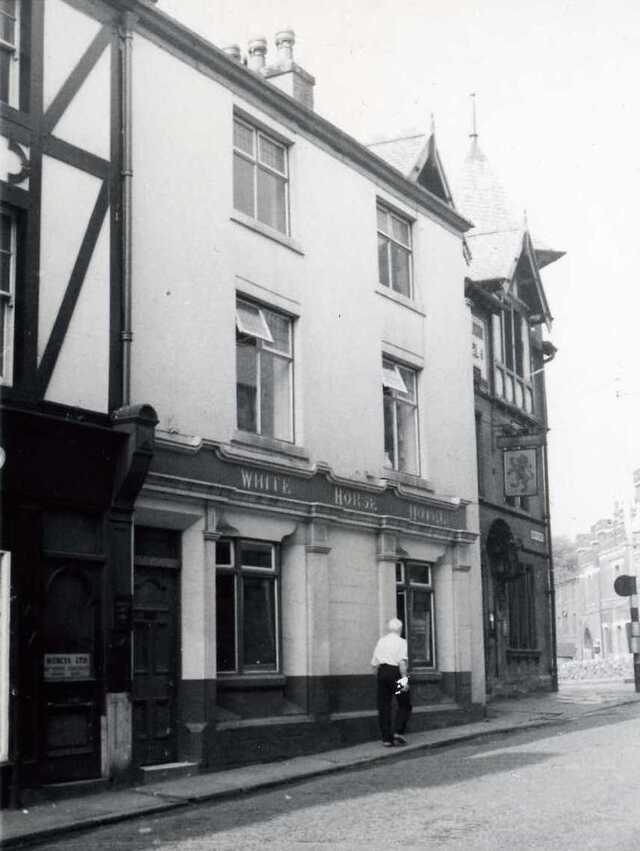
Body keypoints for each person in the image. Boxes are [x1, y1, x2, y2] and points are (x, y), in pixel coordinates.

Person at [371, 617, 412, 747]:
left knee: (384, 706)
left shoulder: (381, 641)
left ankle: (386, 739)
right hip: (395, 673)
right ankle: (397, 732)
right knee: (405, 703)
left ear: (389, 629)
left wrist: (379, 677)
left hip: (382, 672)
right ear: (400, 629)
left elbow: (374, 664)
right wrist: (404, 681)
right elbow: (402, 663)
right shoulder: (402, 642)